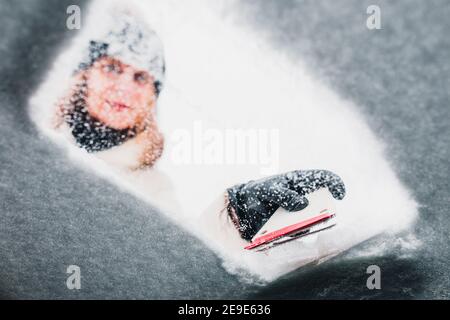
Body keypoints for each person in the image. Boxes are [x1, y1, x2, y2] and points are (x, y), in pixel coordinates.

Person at [55, 12, 165, 169]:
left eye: (141, 77)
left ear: (152, 97)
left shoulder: (153, 190)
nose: (124, 88)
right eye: (111, 68)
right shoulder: (27, 137)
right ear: (84, 76)